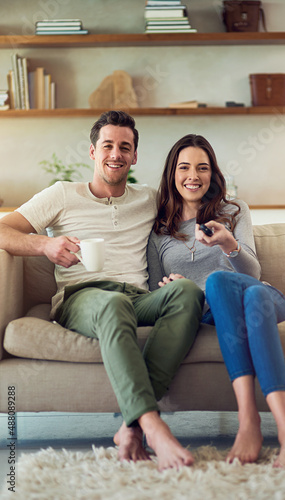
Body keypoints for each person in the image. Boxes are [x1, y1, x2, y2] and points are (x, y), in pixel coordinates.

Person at [0, 111, 204, 471]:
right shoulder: (62, 194)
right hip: (84, 297)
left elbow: (194, 206)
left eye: (125, 147)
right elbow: (4, 229)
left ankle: (130, 425)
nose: (116, 154)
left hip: (139, 298)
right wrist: (44, 247)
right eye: (107, 145)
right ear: (92, 152)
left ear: (135, 156)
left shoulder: (149, 198)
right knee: (112, 304)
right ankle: (152, 425)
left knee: (187, 292)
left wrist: (235, 237)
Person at [147, 133, 285, 468]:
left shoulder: (234, 210)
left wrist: (229, 244)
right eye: (185, 167)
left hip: (261, 297)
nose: (194, 175)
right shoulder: (159, 231)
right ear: (172, 174)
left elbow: (252, 271)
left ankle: (264, 426)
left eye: (202, 168)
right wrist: (172, 288)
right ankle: (275, 429)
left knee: (247, 288)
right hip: (212, 313)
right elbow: (152, 292)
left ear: (212, 174)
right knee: (217, 285)